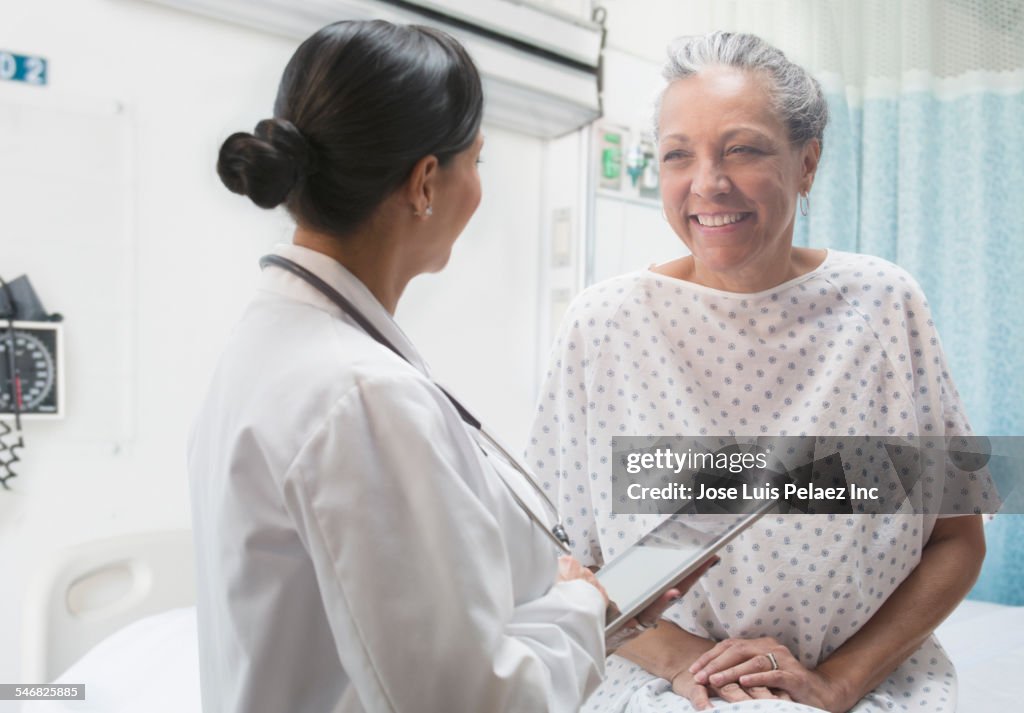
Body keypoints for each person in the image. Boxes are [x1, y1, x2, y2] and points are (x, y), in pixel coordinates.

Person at [188, 19, 708, 713]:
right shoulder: (360, 394)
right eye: (478, 161)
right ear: (426, 181)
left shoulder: (276, 340)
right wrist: (589, 603)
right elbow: (468, 700)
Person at [527, 32, 991, 713]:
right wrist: (689, 663)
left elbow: (956, 537)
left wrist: (838, 680)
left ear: (807, 163)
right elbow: (557, 561)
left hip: (863, 682)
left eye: (741, 149)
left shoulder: (884, 305)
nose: (707, 183)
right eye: (679, 155)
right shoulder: (604, 325)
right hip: (667, 683)